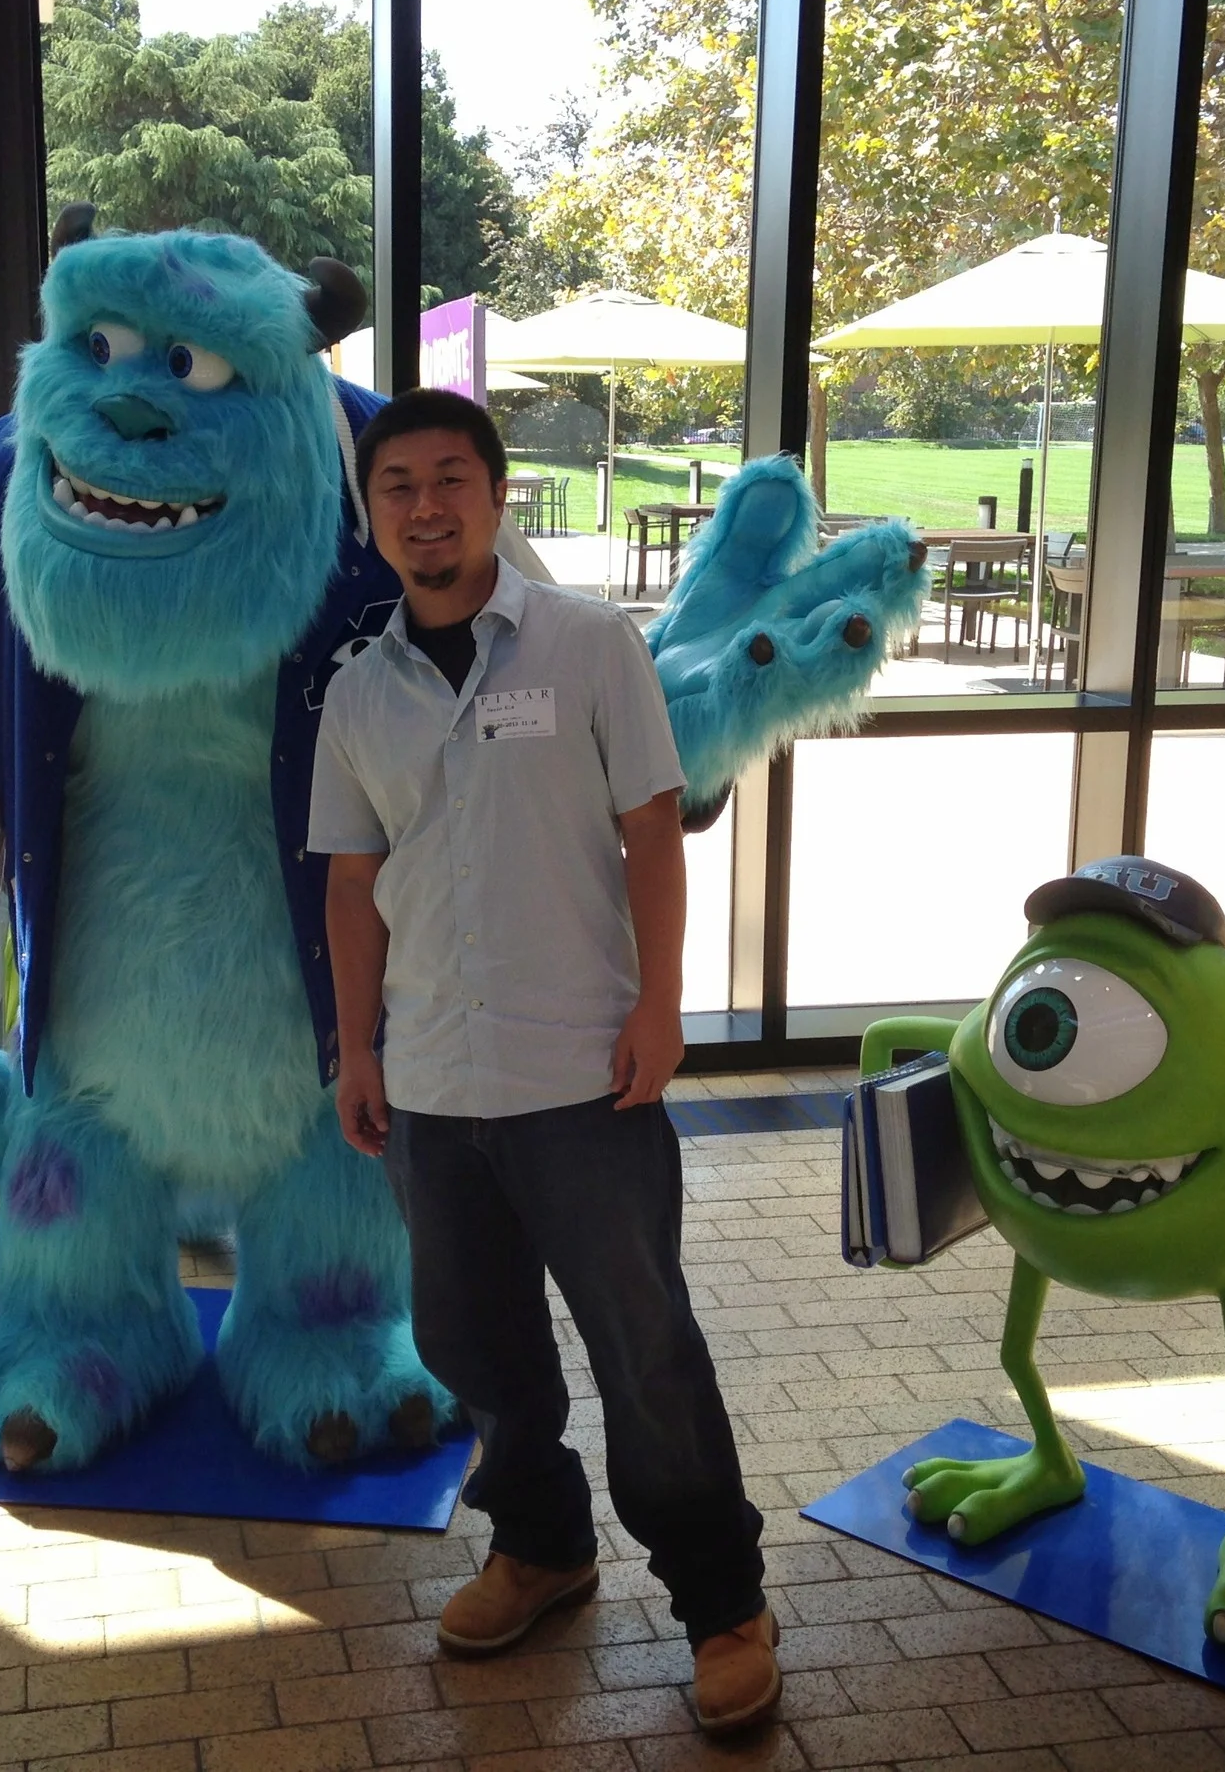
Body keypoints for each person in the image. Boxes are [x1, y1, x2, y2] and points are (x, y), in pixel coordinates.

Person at [307, 388, 779, 1735]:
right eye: (397, 487)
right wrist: (356, 1046)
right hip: (432, 1080)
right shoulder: (362, 689)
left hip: (583, 1072)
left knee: (645, 1347)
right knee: (473, 1345)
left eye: (449, 479)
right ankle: (541, 1546)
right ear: (372, 515)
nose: (425, 509)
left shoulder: (587, 643)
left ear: (496, 494)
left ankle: (723, 1604)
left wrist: (662, 1005)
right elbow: (353, 882)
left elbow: (653, 830)